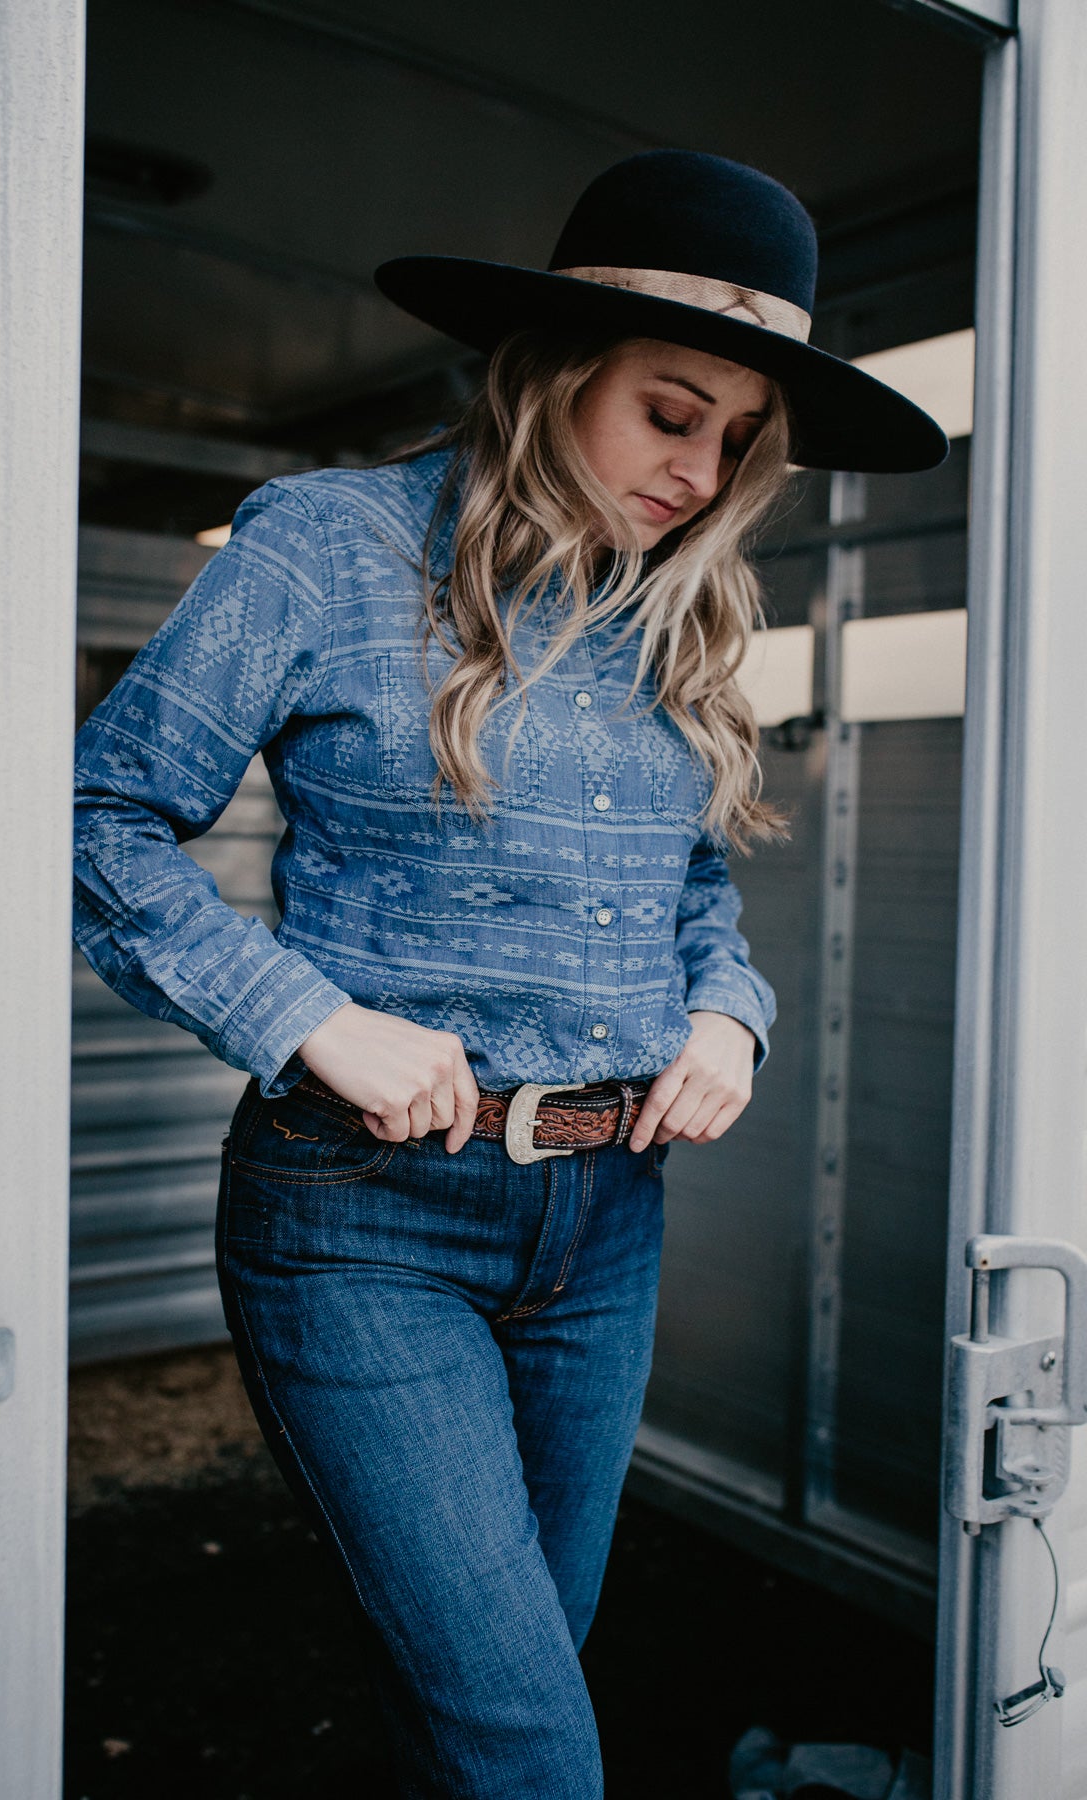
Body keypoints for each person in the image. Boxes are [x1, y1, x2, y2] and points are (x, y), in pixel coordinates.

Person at [73, 149, 946, 1798]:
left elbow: (693, 886)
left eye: (739, 439)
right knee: (522, 1742)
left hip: (608, 1222)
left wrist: (730, 1012)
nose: (701, 471)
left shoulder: (672, 605)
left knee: (510, 1687)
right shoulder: (328, 547)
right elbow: (95, 819)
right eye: (672, 413)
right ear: (556, 372)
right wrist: (308, 1019)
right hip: (364, 1219)